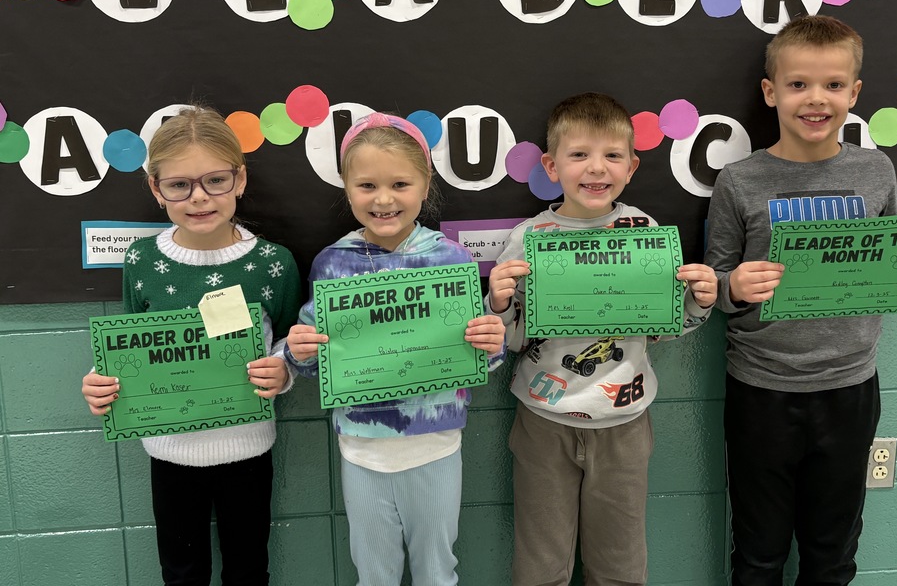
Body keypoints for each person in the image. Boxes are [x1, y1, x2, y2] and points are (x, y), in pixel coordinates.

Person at [704, 14, 897, 586]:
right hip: (761, 391)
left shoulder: (875, 170)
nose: (815, 99)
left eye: (832, 85)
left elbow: (892, 269)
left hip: (850, 388)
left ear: (855, 93)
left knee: (832, 555)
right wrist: (731, 288)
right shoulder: (740, 181)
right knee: (757, 555)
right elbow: (713, 286)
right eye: (798, 84)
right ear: (771, 92)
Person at [487, 92, 718, 586]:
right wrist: (501, 305)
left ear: (632, 166)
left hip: (624, 423)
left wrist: (698, 300)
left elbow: (664, 329)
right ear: (550, 165)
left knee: (619, 565)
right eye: (579, 155)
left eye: (612, 155)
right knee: (540, 566)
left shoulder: (646, 232)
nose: (597, 169)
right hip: (542, 420)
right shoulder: (529, 237)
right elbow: (508, 342)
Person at [81, 106, 303, 586]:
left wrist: (284, 370)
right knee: (181, 573)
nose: (199, 198)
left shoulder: (272, 263)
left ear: (240, 180)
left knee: (249, 570)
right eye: (180, 184)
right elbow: (130, 350)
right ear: (156, 189)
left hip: (248, 449)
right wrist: (106, 387)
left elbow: (288, 339)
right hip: (169, 452)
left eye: (215, 181)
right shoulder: (141, 260)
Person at [284, 112, 505, 586]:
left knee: (437, 570)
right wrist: (296, 351)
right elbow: (312, 357)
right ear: (347, 189)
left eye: (400, 183)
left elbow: (477, 355)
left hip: (436, 445)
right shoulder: (332, 263)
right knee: (374, 574)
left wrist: (490, 343)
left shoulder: (452, 259)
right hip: (361, 450)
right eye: (366, 186)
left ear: (425, 186)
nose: (383, 199)